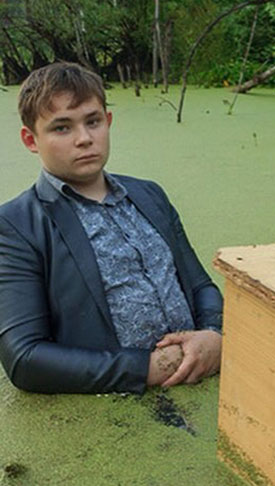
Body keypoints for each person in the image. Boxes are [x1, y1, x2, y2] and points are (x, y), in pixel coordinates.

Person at [0, 62, 222, 394]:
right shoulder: (16, 225)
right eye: (62, 128)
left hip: (208, 379)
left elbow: (200, 285)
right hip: (118, 406)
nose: (84, 139)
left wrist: (214, 335)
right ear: (30, 140)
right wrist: (145, 369)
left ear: (108, 121)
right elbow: (25, 358)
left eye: (93, 122)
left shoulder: (150, 195)